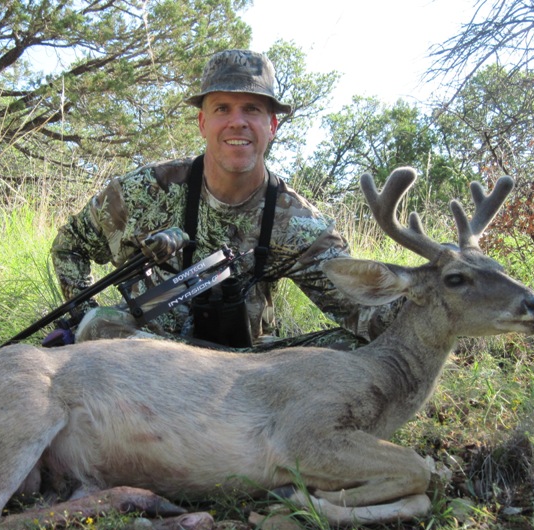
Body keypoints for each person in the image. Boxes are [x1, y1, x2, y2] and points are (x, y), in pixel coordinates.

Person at [49, 49, 397, 349]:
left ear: (272, 125)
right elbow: (70, 247)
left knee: (352, 350)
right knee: (99, 325)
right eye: (222, 109)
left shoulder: (299, 224)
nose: (237, 123)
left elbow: (363, 312)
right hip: (146, 364)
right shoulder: (144, 192)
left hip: (242, 376)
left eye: (251, 109)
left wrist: (438, 289)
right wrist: (79, 318)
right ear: (202, 122)